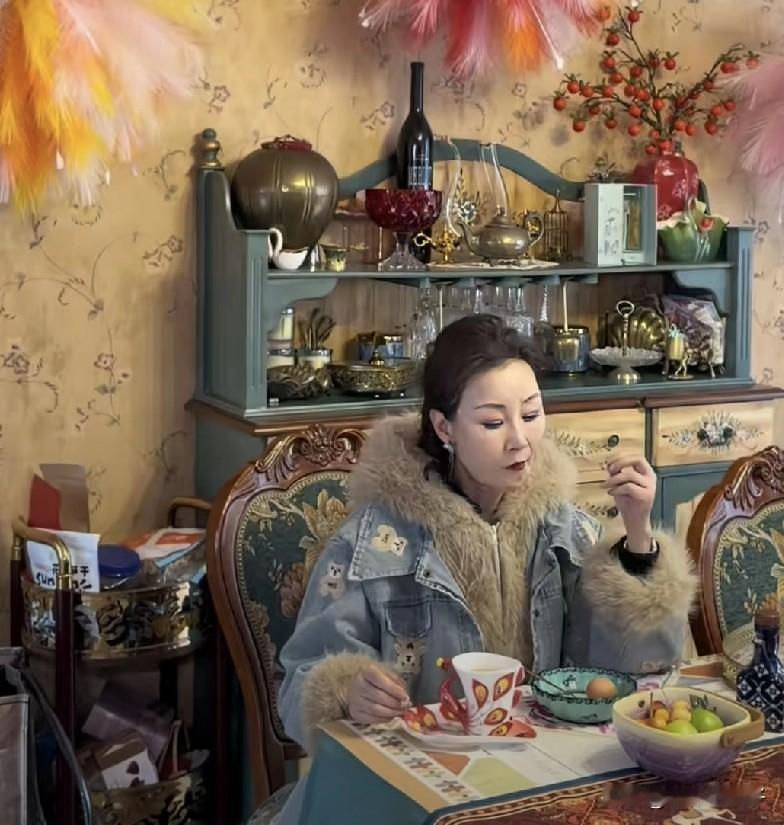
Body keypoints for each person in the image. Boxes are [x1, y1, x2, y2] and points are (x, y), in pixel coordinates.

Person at [275, 313, 696, 812]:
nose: (520, 440)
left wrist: (638, 532)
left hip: (540, 776)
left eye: (532, 414)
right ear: (444, 427)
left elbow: (633, 670)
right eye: (494, 423)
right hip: (414, 788)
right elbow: (300, 682)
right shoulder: (376, 542)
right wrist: (348, 691)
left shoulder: (560, 526)